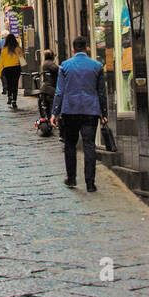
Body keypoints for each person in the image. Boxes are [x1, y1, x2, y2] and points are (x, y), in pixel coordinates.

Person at [52, 36, 108, 193]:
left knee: (70, 144)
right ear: (87, 48)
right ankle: (90, 183)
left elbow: (59, 91)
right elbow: (101, 92)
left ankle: (71, 178)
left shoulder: (65, 66)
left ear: (73, 49)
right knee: (89, 145)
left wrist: (55, 112)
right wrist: (104, 113)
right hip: (90, 110)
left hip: (70, 110)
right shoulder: (96, 66)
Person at [0, 33, 24, 110]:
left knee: (9, 83)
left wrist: (0, 70)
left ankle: (9, 96)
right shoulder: (17, 48)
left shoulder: (4, 49)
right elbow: (22, 59)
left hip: (7, 68)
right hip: (16, 67)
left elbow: (1, 60)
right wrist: (23, 67)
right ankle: (14, 100)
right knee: (15, 84)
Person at [38, 49, 59, 121]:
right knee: (54, 104)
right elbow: (56, 69)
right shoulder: (49, 63)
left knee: (46, 106)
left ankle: (48, 118)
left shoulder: (44, 63)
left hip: (44, 89)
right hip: (50, 89)